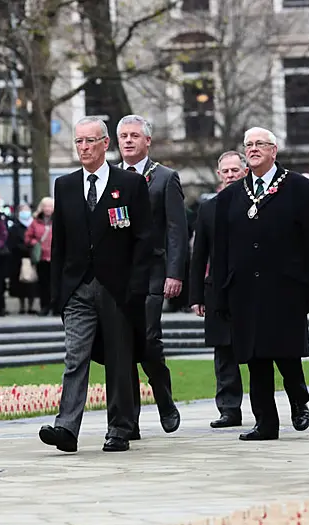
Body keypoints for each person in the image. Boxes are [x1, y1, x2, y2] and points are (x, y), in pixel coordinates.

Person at [39, 115, 153, 453]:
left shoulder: (130, 185)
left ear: (106, 143)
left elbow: (144, 240)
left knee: (119, 359)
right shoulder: (66, 185)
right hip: (77, 287)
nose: (84, 147)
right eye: (79, 142)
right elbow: (59, 243)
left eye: (91, 141)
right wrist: (59, 292)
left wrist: (136, 287)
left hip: (116, 288)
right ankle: (67, 428)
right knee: (75, 357)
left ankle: (119, 428)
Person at [213, 127, 309, 441]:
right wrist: (220, 293)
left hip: (286, 286)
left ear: (274, 150)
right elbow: (221, 250)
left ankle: (299, 399)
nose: (253, 149)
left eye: (259, 144)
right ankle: (265, 423)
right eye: (248, 145)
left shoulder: (299, 188)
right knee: (256, 358)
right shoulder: (232, 196)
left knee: (286, 351)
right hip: (245, 289)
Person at [117, 114, 186, 434]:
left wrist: (175, 272)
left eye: (134, 135)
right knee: (122, 347)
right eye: (123, 136)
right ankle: (128, 421)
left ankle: (164, 399)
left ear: (147, 141)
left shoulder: (164, 178)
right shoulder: (109, 177)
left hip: (154, 273)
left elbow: (176, 230)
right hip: (118, 274)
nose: (128, 141)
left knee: (148, 341)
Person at [189, 151, 248, 429]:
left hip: (250, 287)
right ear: (219, 175)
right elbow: (199, 254)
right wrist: (196, 296)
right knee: (223, 352)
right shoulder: (208, 208)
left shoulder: (255, 204)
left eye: (236, 170)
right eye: (226, 171)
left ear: (245, 172)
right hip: (217, 288)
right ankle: (228, 408)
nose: (231, 175)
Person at [25, 197, 54, 316]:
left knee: (56, 283)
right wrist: (35, 243)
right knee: (43, 284)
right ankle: (44, 307)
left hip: (55, 257)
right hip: (41, 257)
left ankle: (57, 307)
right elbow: (28, 237)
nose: (47, 209)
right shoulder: (35, 222)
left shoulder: (59, 220)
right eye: (45, 206)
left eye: (50, 206)